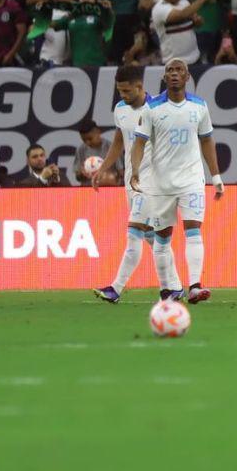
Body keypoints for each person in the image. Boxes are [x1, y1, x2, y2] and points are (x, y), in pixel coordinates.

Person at [128, 59, 224, 305]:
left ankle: (194, 285)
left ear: (187, 76)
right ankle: (167, 288)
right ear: (164, 77)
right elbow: (139, 142)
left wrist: (216, 176)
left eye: (178, 70)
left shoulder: (200, 107)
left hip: (191, 179)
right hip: (161, 183)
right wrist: (136, 170)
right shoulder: (152, 108)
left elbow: (207, 141)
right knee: (161, 238)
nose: (173, 74)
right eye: (169, 70)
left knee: (193, 230)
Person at [91, 66, 153, 303]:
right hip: (131, 180)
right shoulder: (120, 109)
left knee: (135, 232)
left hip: (150, 180)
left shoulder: (157, 108)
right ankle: (175, 286)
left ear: (140, 86)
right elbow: (120, 140)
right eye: (119, 91)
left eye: (127, 91)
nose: (123, 95)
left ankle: (115, 288)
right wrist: (103, 168)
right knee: (153, 238)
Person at [73, 121, 117, 186]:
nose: (87, 142)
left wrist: (108, 176)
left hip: (109, 188)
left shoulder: (111, 147)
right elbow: (78, 177)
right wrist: (82, 174)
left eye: (90, 139)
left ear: (98, 132)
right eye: (84, 140)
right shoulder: (81, 149)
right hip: (87, 189)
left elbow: (121, 173)